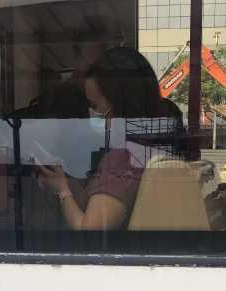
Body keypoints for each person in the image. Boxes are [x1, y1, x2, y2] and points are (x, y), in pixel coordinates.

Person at [35, 47, 185, 230]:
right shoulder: (155, 149)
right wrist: (65, 181)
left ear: (122, 105)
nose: (92, 114)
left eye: (95, 104)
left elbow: (89, 231)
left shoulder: (123, 161)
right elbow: (105, 194)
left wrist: (62, 191)